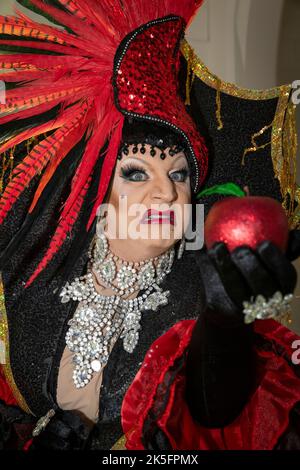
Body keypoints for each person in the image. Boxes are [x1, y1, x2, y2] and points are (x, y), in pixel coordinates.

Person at [0, 0, 300, 451]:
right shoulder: (33, 258)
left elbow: (215, 417)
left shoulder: (198, 288)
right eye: (136, 172)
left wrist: (226, 325)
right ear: (97, 188)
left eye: (179, 175)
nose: (166, 193)